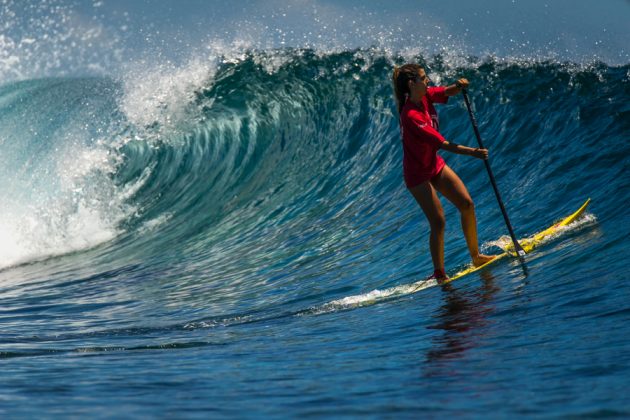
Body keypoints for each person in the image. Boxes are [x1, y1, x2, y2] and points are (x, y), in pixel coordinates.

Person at [392, 64, 495, 281]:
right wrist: (473, 152)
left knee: (466, 204)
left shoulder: (426, 95)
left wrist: (459, 85)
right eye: (423, 78)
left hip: (433, 164)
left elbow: (446, 91)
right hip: (417, 174)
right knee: (438, 221)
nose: (428, 80)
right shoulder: (410, 115)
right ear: (412, 84)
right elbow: (443, 143)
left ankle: (476, 256)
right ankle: (439, 273)